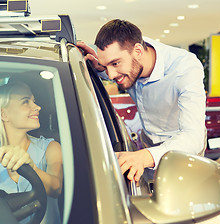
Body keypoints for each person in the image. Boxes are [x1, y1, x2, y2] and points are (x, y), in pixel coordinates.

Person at [76, 19, 206, 183]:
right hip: (147, 144)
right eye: (106, 66)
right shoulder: (131, 55)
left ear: (138, 51)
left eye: (115, 63)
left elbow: (194, 137)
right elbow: (114, 71)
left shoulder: (185, 68)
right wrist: (98, 67)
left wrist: (145, 157)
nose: (110, 75)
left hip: (181, 149)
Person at [0, 82, 63, 223]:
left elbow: (55, 189)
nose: (37, 107)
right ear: (4, 114)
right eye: (25, 102)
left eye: (34, 101)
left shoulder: (51, 147)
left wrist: (32, 168)